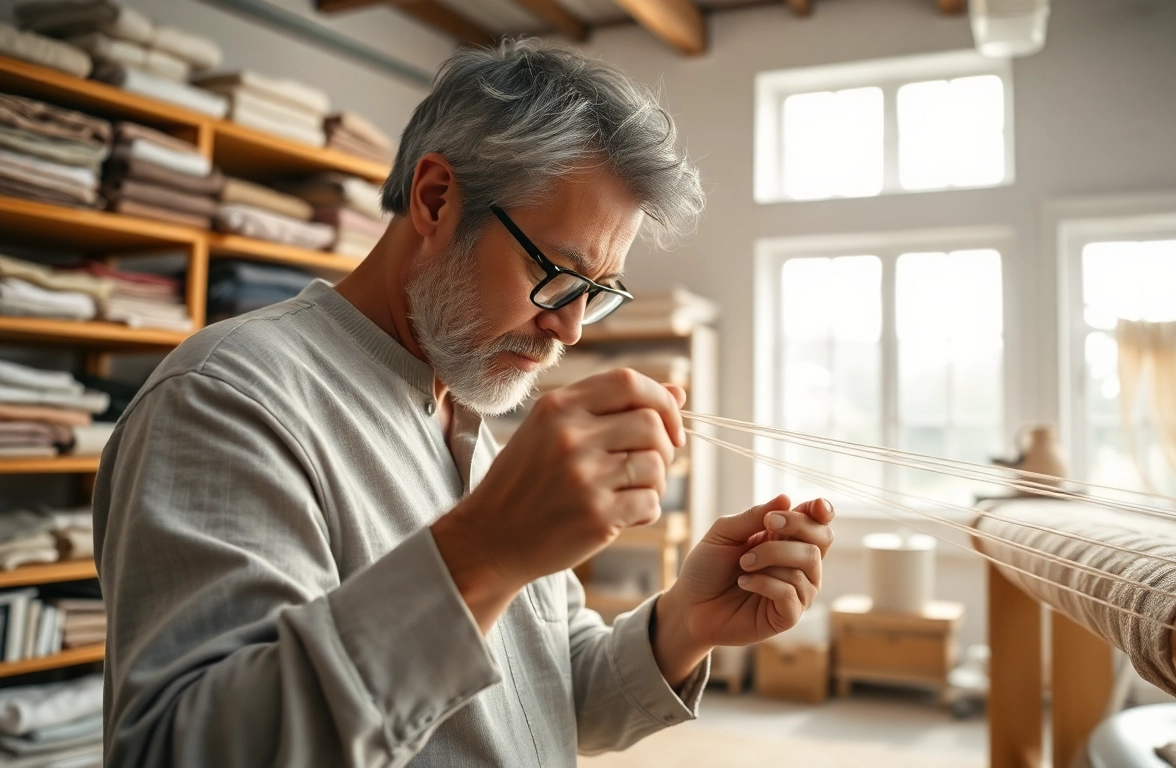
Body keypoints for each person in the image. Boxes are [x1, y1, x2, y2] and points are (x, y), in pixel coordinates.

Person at [92, 39, 834, 767]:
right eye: (558, 273)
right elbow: (180, 750)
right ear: (437, 199)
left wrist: (684, 623)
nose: (570, 327)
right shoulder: (228, 398)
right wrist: (483, 553)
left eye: (598, 293)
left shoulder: (478, 424)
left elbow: (546, 701)